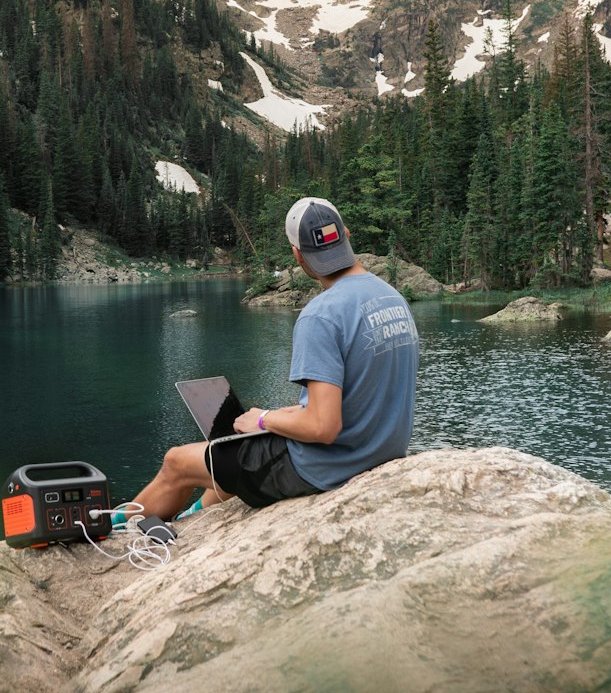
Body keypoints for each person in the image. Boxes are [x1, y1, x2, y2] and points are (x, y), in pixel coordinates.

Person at [129, 197, 419, 521]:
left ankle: (110, 529)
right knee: (234, 449)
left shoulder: (321, 315)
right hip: (378, 455)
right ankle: (195, 518)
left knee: (177, 462)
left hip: (324, 468)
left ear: (297, 253)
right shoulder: (392, 298)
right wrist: (276, 418)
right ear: (346, 235)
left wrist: (265, 420)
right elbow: (359, 397)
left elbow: (324, 426)